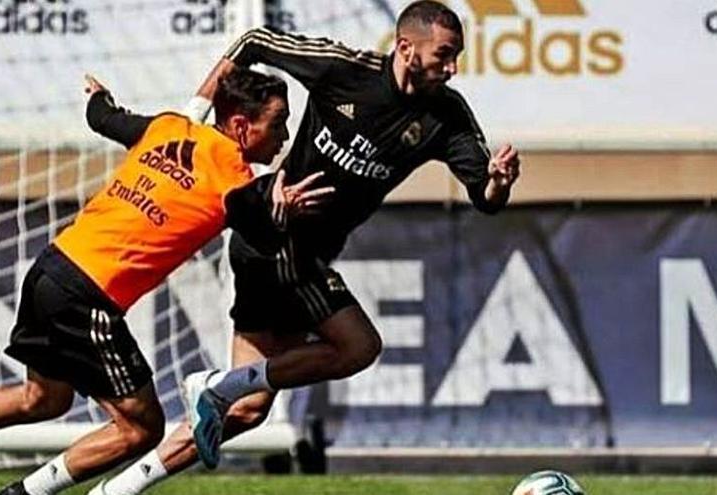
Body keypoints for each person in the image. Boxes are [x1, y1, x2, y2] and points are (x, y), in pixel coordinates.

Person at [90, 1, 522, 492]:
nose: (453, 68)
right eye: (444, 55)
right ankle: (215, 386)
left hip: (290, 253)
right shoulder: (344, 70)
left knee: (248, 410)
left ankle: (119, 488)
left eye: (456, 57)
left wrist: (498, 182)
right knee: (359, 347)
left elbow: (485, 198)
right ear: (406, 47)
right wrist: (194, 114)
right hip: (279, 237)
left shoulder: (446, 116)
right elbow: (252, 42)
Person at [0, 67, 332, 495]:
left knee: (44, 398)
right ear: (239, 126)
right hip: (87, 296)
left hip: (51, 269)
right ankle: (26, 494)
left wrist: (100, 97)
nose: (284, 137)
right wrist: (282, 207)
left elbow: (103, 118)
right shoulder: (233, 175)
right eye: (277, 124)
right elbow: (263, 229)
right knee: (142, 427)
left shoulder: (167, 127)